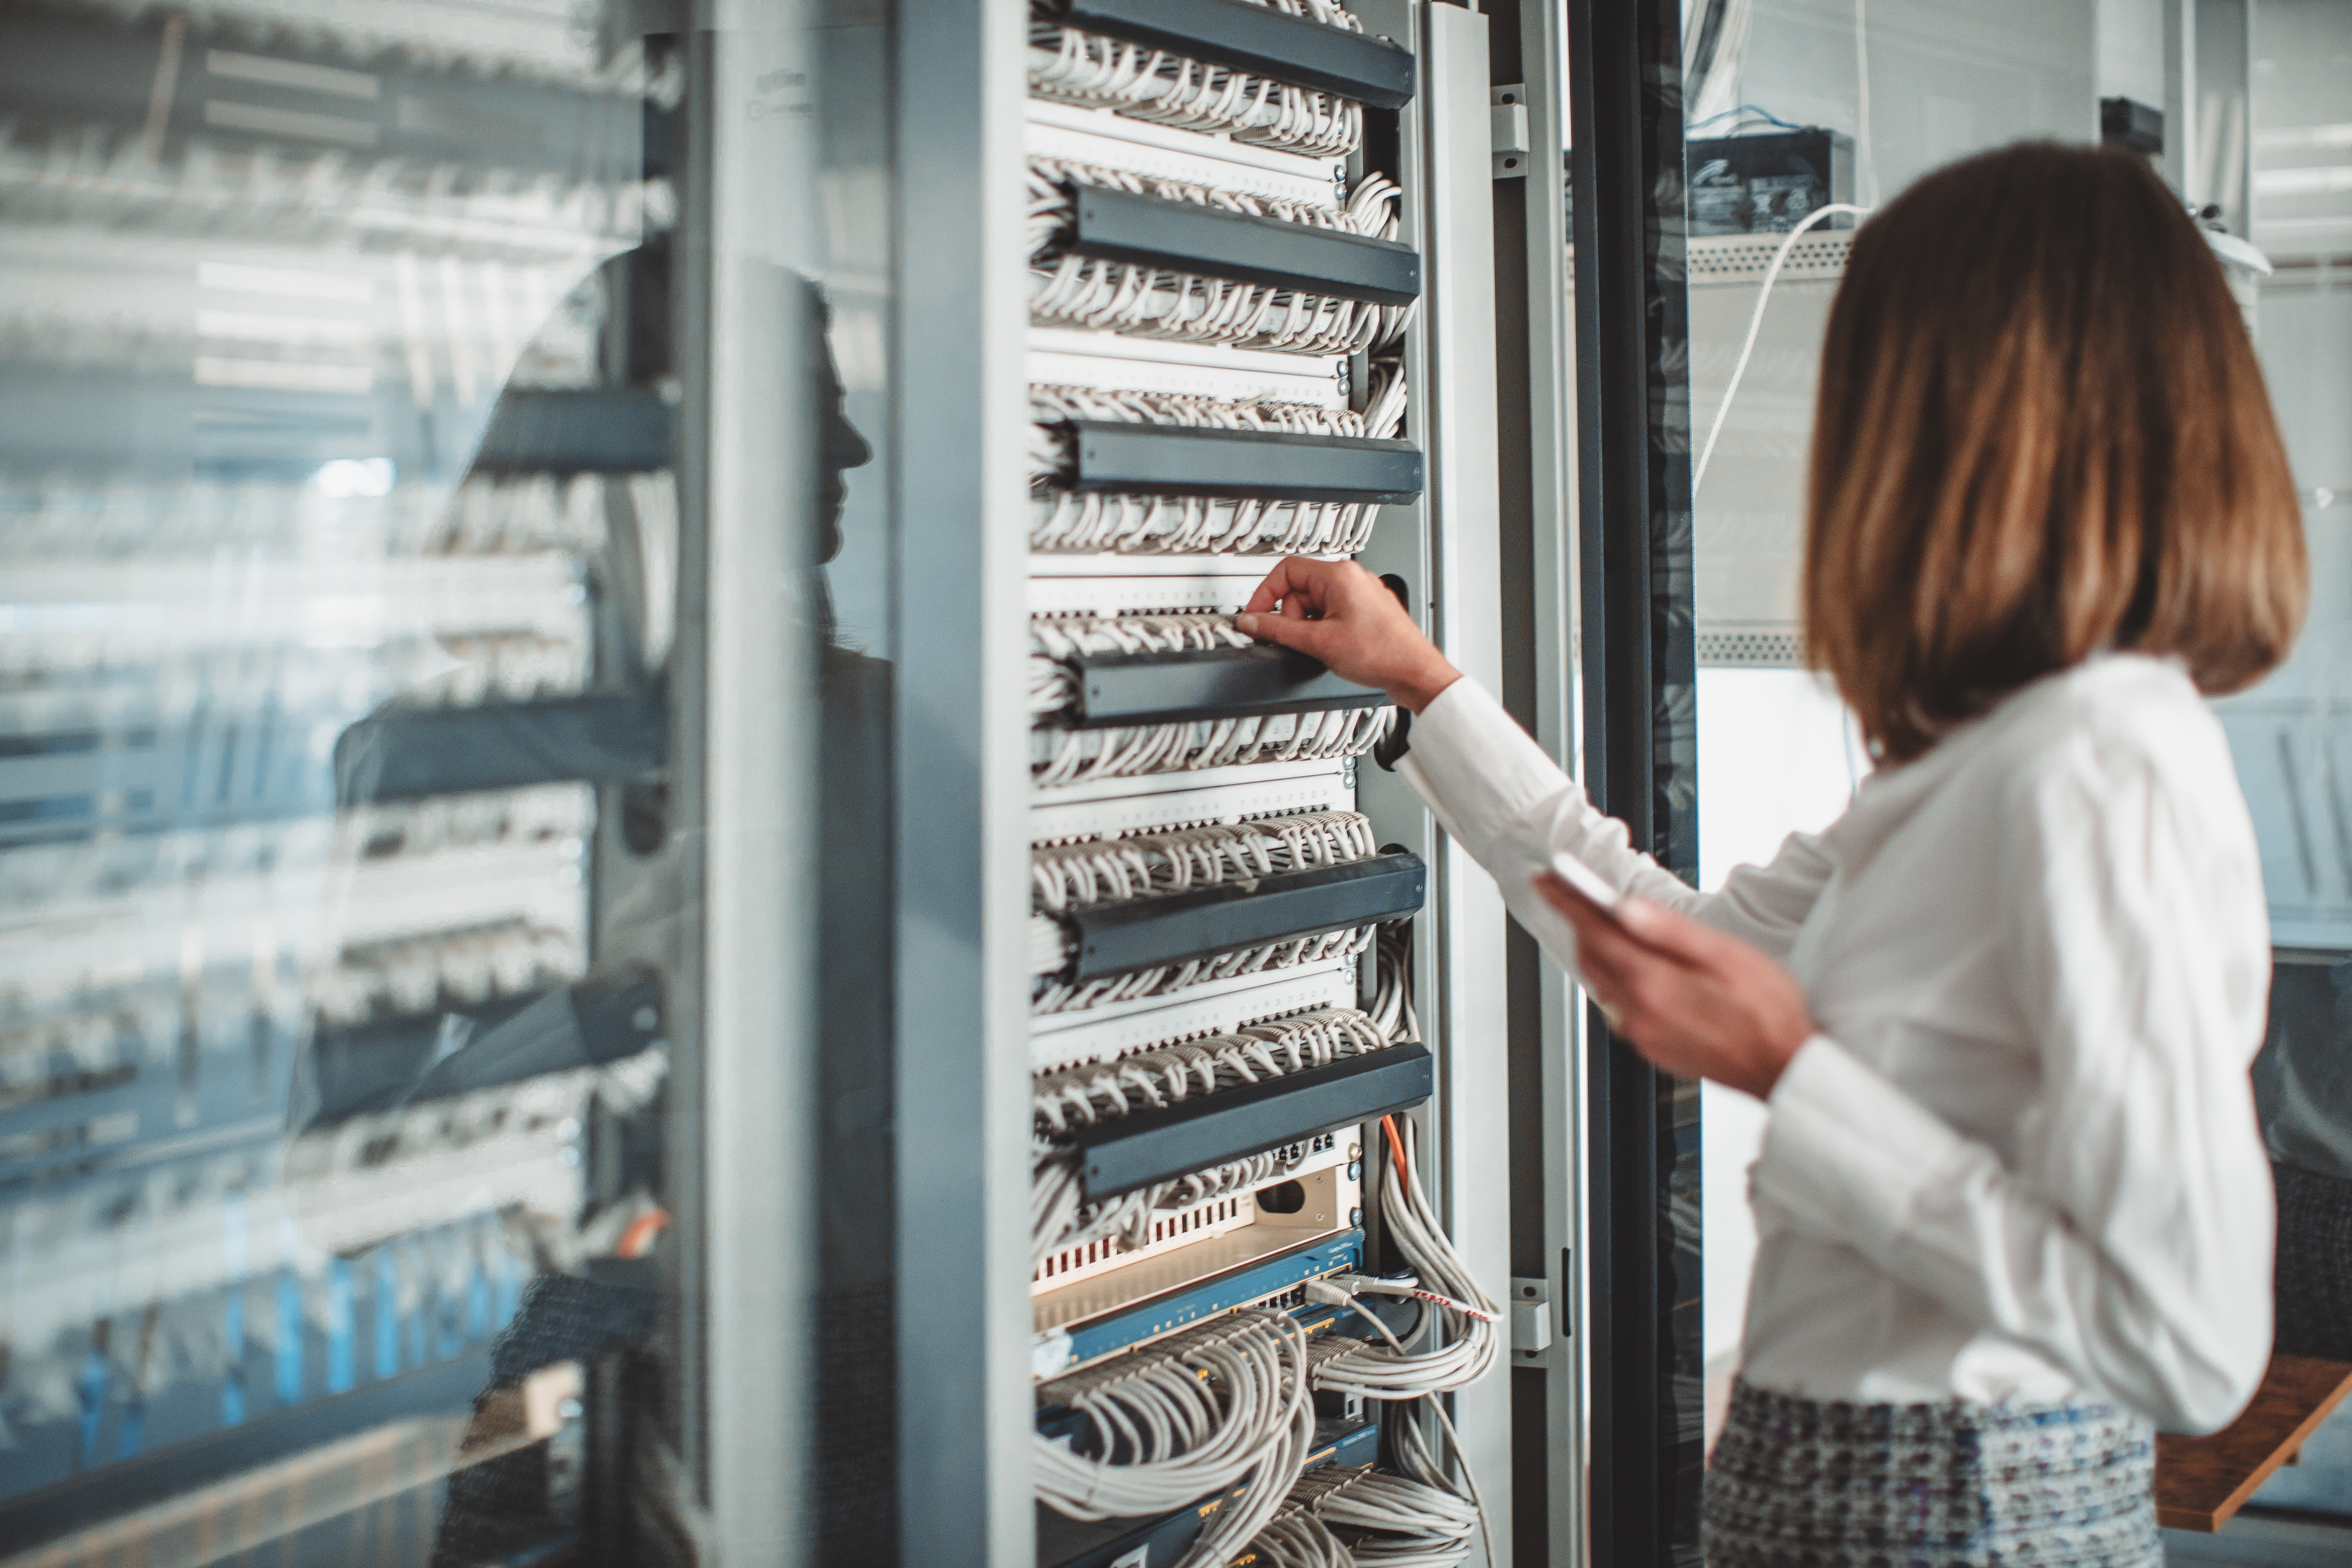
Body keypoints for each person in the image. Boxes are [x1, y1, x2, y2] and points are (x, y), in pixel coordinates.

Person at [1237, 142, 2309, 1566]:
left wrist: (1797, 1075)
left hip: (1961, 1507)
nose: (1842, 433)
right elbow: (1675, 949)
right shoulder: (1991, 755)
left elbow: (2187, 1339)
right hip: (1851, 1482)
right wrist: (1425, 688)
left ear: (1990, 414)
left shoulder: (2096, 764)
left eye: (1870, 378)